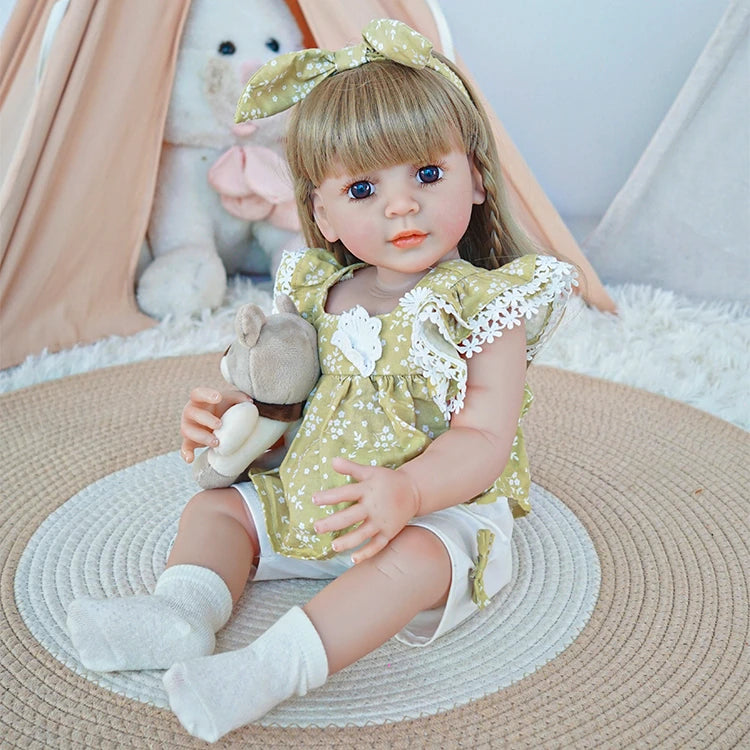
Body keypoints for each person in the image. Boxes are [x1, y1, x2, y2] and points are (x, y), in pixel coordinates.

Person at [67, 19, 576, 742]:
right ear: (321, 213)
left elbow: (485, 436)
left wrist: (412, 491)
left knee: (416, 562)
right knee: (219, 513)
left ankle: (274, 667)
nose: (401, 206)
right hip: (315, 488)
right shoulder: (313, 291)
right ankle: (182, 610)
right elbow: (288, 402)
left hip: (434, 504)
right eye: (364, 188)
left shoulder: (485, 306)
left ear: (477, 177)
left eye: (427, 175)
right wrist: (235, 424)